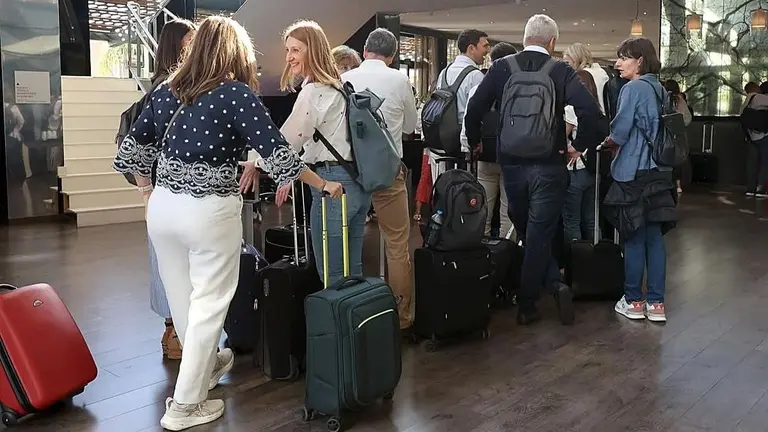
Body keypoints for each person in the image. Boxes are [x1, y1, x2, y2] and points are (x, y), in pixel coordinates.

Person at [112, 16, 342, 431]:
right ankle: (185, 405)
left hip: (163, 208)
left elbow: (131, 153)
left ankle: (208, 364)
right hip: (209, 210)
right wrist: (322, 182)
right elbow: (278, 156)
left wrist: (148, 194)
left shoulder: (169, 89)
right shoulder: (236, 94)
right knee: (208, 304)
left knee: (183, 300)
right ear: (235, 52)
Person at [464, 14, 600, 326]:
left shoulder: (501, 67)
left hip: (511, 163)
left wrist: (475, 142)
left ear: (525, 38)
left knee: (525, 225)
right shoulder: (561, 70)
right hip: (549, 164)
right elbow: (588, 109)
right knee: (538, 231)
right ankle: (537, 295)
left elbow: (475, 109)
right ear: (552, 42)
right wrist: (579, 145)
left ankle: (545, 286)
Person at [275, 20, 370, 284]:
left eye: (296, 50)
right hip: (356, 183)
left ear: (312, 50)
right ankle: (357, 324)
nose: (289, 57)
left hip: (331, 185)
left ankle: (336, 326)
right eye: (288, 50)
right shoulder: (338, 86)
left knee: (332, 273)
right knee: (353, 270)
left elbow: (286, 143)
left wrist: (254, 162)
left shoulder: (313, 92)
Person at [341, 28, 418, 334]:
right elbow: (411, 126)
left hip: (350, 170)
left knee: (349, 242)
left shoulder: (346, 78)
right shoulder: (400, 80)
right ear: (393, 55)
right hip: (387, 170)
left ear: (364, 49)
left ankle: (350, 312)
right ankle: (402, 317)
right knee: (397, 246)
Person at [603, 37, 677, 323]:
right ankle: (656, 304)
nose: (619, 63)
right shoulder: (660, 89)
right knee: (655, 239)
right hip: (660, 172)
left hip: (633, 172)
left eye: (624, 58)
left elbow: (620, 131)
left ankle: (634, 300)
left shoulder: (633, 88)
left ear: (640, 61)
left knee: (633, 237)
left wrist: (609, 140)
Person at [144, 18, 196, 362]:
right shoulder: (173, 88)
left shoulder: (158, 86)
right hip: (173, 189)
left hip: (163, 191)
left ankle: (173, 331)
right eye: (190, 42)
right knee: (175, 264)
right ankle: (176, 332)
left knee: (168, 262)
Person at [461, 41, 518, 237]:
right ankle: (506, 249)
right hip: (512, 154)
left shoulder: (478, 88)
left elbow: (470, 117)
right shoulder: (518, 88)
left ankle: (481, 246)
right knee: (508, 211)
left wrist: (474, 142)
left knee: (482, 206)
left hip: (485, 153)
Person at [562, 70, 602, 242]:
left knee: (571, 220)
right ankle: (596, 258)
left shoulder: (572, 109)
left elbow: (561, 136)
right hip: (594, 167)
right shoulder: (598, 109)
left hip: (575, 167)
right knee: (592, 219)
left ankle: (575, 262)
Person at [663, 79, 692, 195]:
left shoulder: (662, 99)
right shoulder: (680, 101)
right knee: (678, 160)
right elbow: (687, 118)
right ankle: (678, 185)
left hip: (665, 135)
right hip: (679, 136)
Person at [741, 81, 768, 197]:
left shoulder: (746, 101)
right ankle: (760, 188)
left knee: (752, 162)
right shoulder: (759, 98)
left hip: (751, 137)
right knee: (765, 162)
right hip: (762, 135)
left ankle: (750, 188)